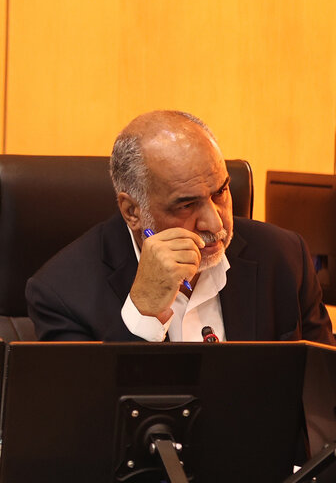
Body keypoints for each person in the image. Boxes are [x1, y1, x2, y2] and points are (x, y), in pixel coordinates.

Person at [26, 110, 335, 347]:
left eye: (220, 193)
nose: (215, 223)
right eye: (186, 205)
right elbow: (91, 408)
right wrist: (144, 311)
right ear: (132, 211)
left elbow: (323, 395)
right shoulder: (62, 293)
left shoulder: (284, 257)